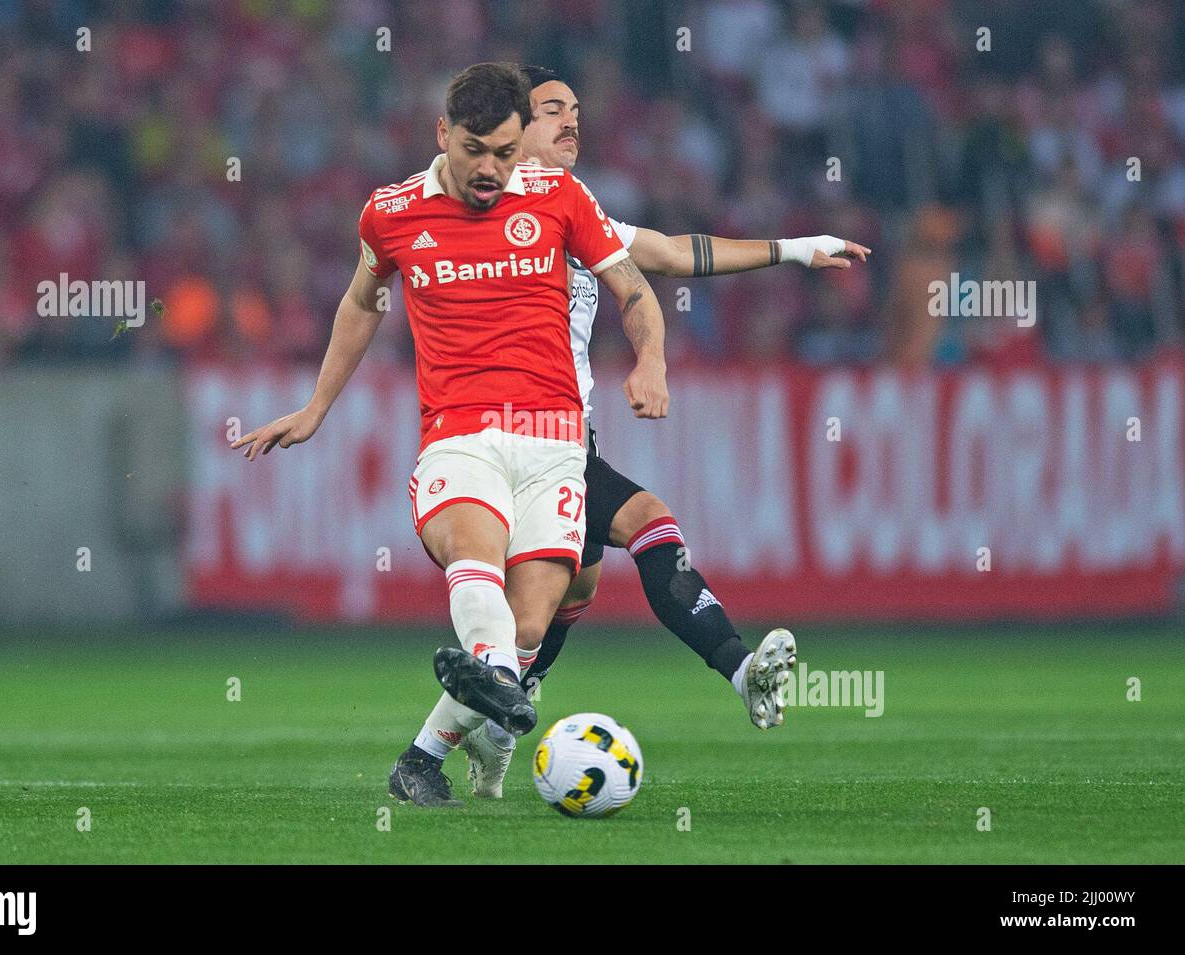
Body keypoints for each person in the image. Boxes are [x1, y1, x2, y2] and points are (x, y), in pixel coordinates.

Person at [231, 63, 672, 808]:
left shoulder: (561, 198)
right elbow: (361, 302)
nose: (493, 169)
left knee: (527, 627)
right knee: (475, 557)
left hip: (555, 442)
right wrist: (315, 407)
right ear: (443, 134)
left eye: (506, 150)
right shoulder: (391, 212)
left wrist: (652, 358)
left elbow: (633, 288)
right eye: (477, 150)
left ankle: (429, 755)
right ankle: (497, 681)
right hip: (460, 436)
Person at [458, 66, 871, 799]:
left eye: (578, 109)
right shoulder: (485, 217)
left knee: (564, 599)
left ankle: (500, 721)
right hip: (512, 442)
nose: (573, 121)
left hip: (567, 442)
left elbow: (680, 254)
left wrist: (797, 248)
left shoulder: (574, 214)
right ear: (512, 131)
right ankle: (741, 671)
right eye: (554, 110)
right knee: (643, 526)